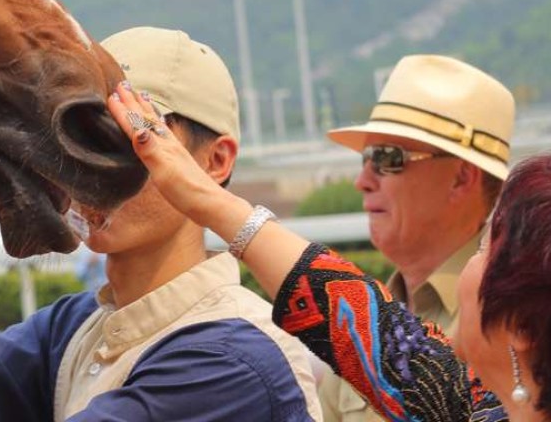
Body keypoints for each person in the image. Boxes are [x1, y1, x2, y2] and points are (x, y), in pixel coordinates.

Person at [0, 27, 322, 421]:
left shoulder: (233, 358)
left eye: (130, 135)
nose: (90, 169)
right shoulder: (78, 328)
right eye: (79, 135)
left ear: (216, 160)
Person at [107, 81, 551, 421]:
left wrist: (201, 195)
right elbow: (375, 334)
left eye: (485, 250)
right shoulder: (475, 405)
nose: (364, 180)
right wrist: (206, 198)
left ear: (522, 325)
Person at [320, 55, 513, 422]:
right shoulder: (358, 316)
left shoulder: (514, 315)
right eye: (365, 158)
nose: (362, 181)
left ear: (461, 178)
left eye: (387, 158)